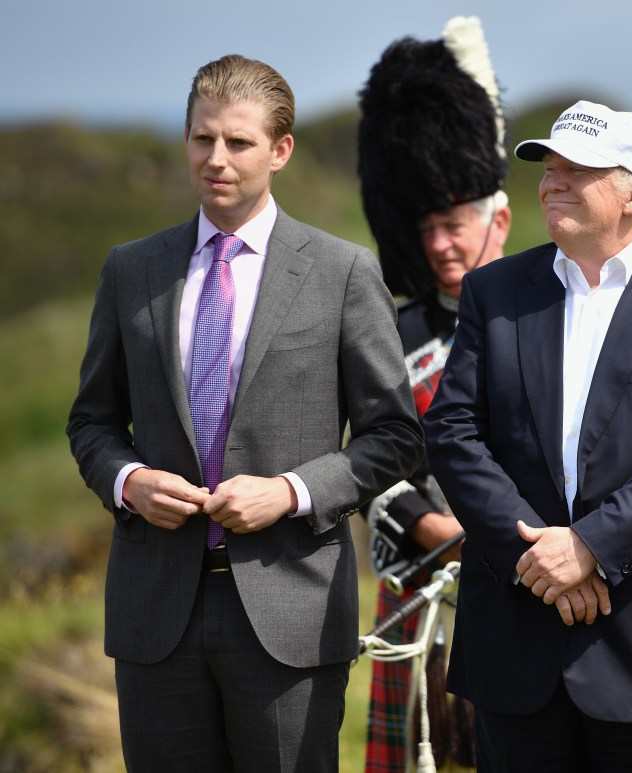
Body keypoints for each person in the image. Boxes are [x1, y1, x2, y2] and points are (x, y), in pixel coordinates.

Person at [66, 54, 424, 771]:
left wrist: (290, 491)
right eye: (202, 139)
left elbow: (394, 437)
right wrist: (128, 479)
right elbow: (92, 422)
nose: (216, 159)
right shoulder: (130, 268)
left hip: (290, 612)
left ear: (280, 150)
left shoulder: (343, 272)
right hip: (153, 613)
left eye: (238, 142)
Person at [424, 99, 632, 772]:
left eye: (579, 169)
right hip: (516, 644)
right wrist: (536, 555)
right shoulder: (493, 291)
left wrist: (590, 547)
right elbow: (454, 431)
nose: (553, 181)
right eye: (549, 166)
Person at [356, 18, 510, 772]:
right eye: (428, 227)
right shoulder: (394, 332)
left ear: (498, 220)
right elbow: (368, 458)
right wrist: (434, 528)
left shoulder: (546, 321)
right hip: (423, 592)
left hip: (526, 588)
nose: (442, 244)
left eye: (456, 223)